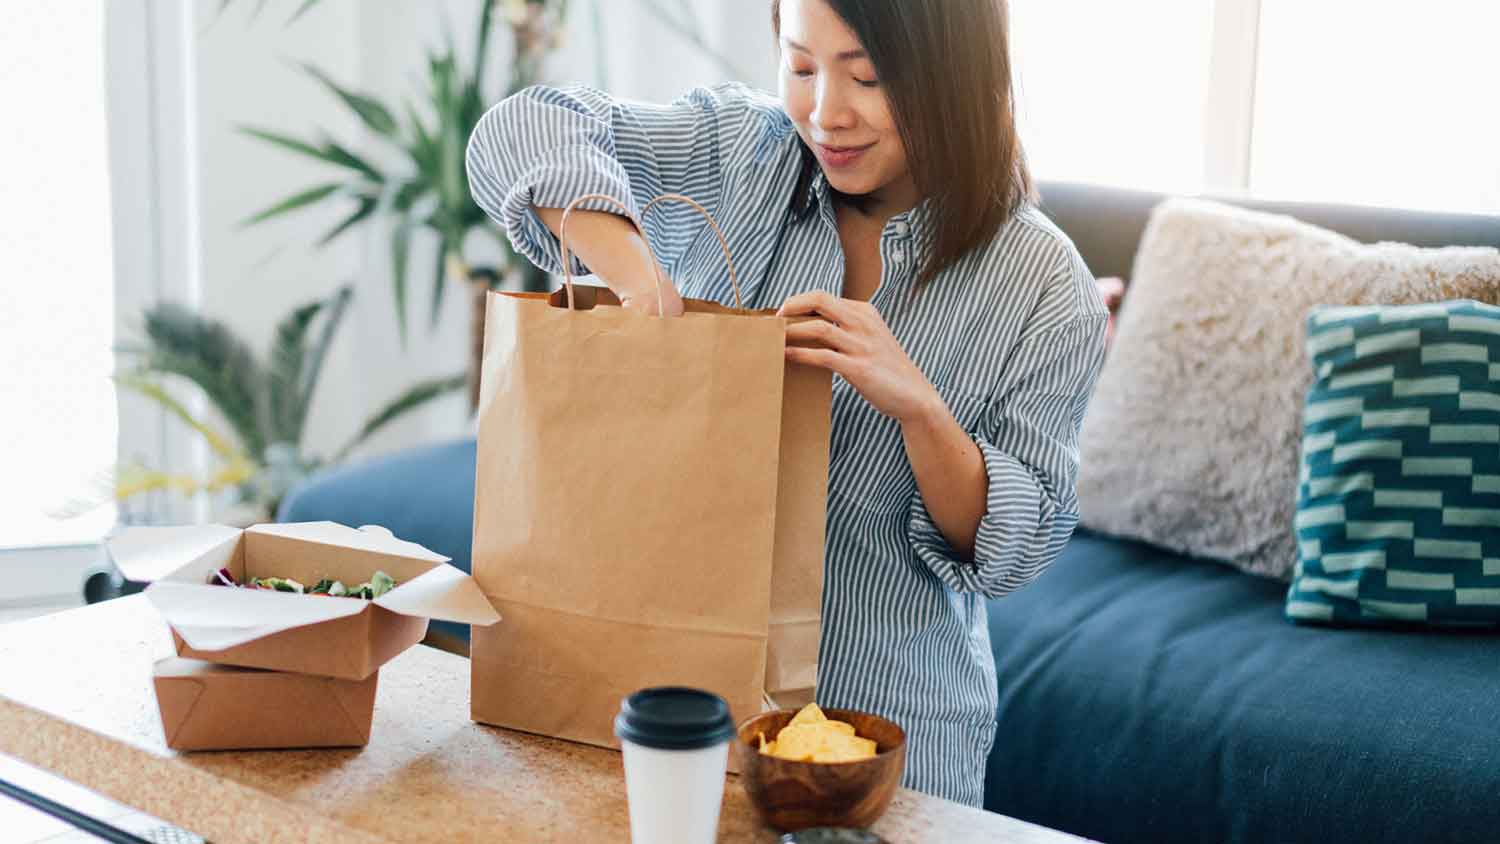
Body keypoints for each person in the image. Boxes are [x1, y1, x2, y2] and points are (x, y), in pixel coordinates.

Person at [465, 0, 1108, 807]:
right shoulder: (741, 152)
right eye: (802, 65)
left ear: (957, 78)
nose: (826, 112)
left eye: (868, 77)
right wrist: (638, 280)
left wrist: (919, 409)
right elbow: (520, 130)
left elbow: (1013, 554)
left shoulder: (1049, 289)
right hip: (668, 709)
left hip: (884, 734)